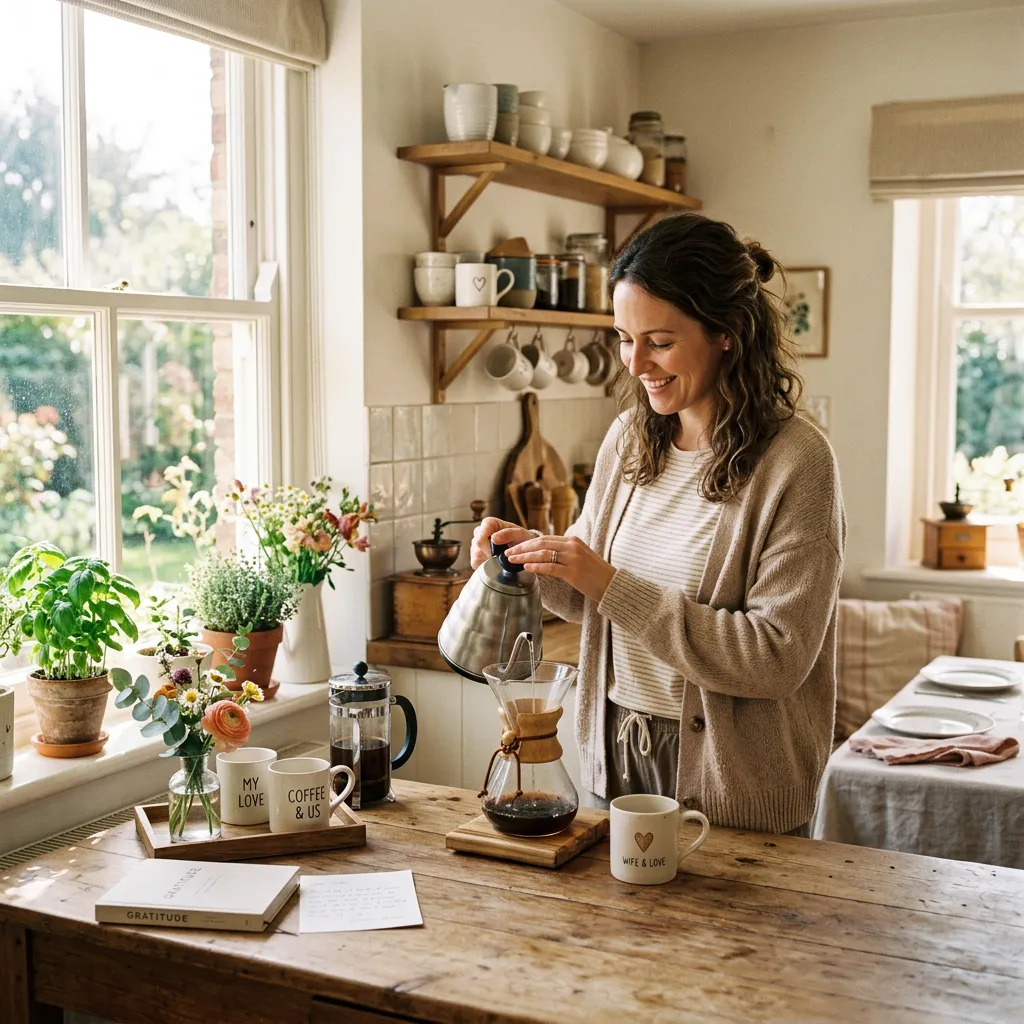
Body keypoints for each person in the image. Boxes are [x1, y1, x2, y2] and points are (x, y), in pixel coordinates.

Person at [471, 212, 845, 835]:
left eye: (660, 341)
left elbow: (777, 657)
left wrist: (610, 583)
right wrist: (534, 560)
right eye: (624, 337)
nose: (635, 362)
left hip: (733, 780)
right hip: (613, 752)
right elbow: (585, 598)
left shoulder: (797, 462)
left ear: (727, 333)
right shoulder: (628, 440)